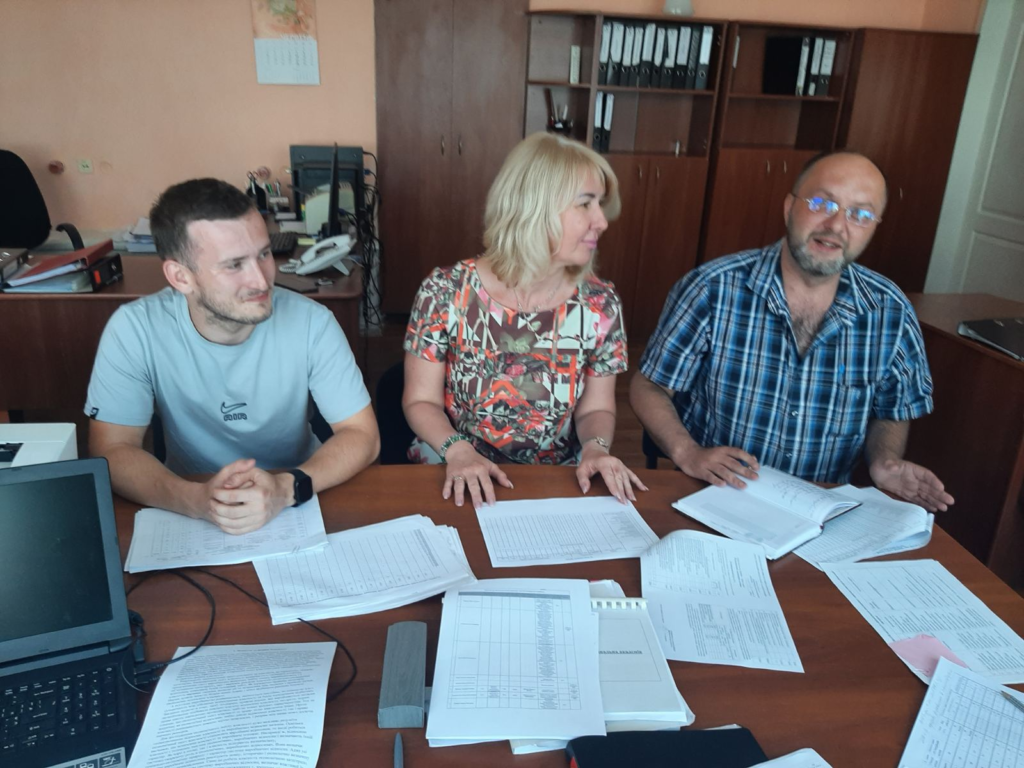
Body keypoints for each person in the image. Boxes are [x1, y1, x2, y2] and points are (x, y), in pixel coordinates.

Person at [631, 151, 954, 512]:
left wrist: (885, 460)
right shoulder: (712, 288)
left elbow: (893, 409)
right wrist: (687, 451)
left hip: (822, 510)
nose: (836, 225)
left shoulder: (891, 311)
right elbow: (649, 386)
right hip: (714, 496)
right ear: (789, 208)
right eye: (822, 203)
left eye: (860, 214)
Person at [86, 178, 379, 534]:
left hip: (298, 493)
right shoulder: (135, 329)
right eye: (234, 265)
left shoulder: (312, 322)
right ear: (180, 277)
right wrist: (196, 500)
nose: (261, 281)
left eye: (264, 254)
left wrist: (286, 488)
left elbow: (362, 434)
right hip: (188, 497)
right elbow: (113, 449)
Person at [402, 133, 646, 509]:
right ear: (535, 208)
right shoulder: (446, 292)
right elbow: (421, 400)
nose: (602, 221)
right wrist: (459, 451)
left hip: (557, 478)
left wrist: (596, 448)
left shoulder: (600, 305)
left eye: (600, 204)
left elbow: (596, 408)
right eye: (585, 204)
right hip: (455, 464)